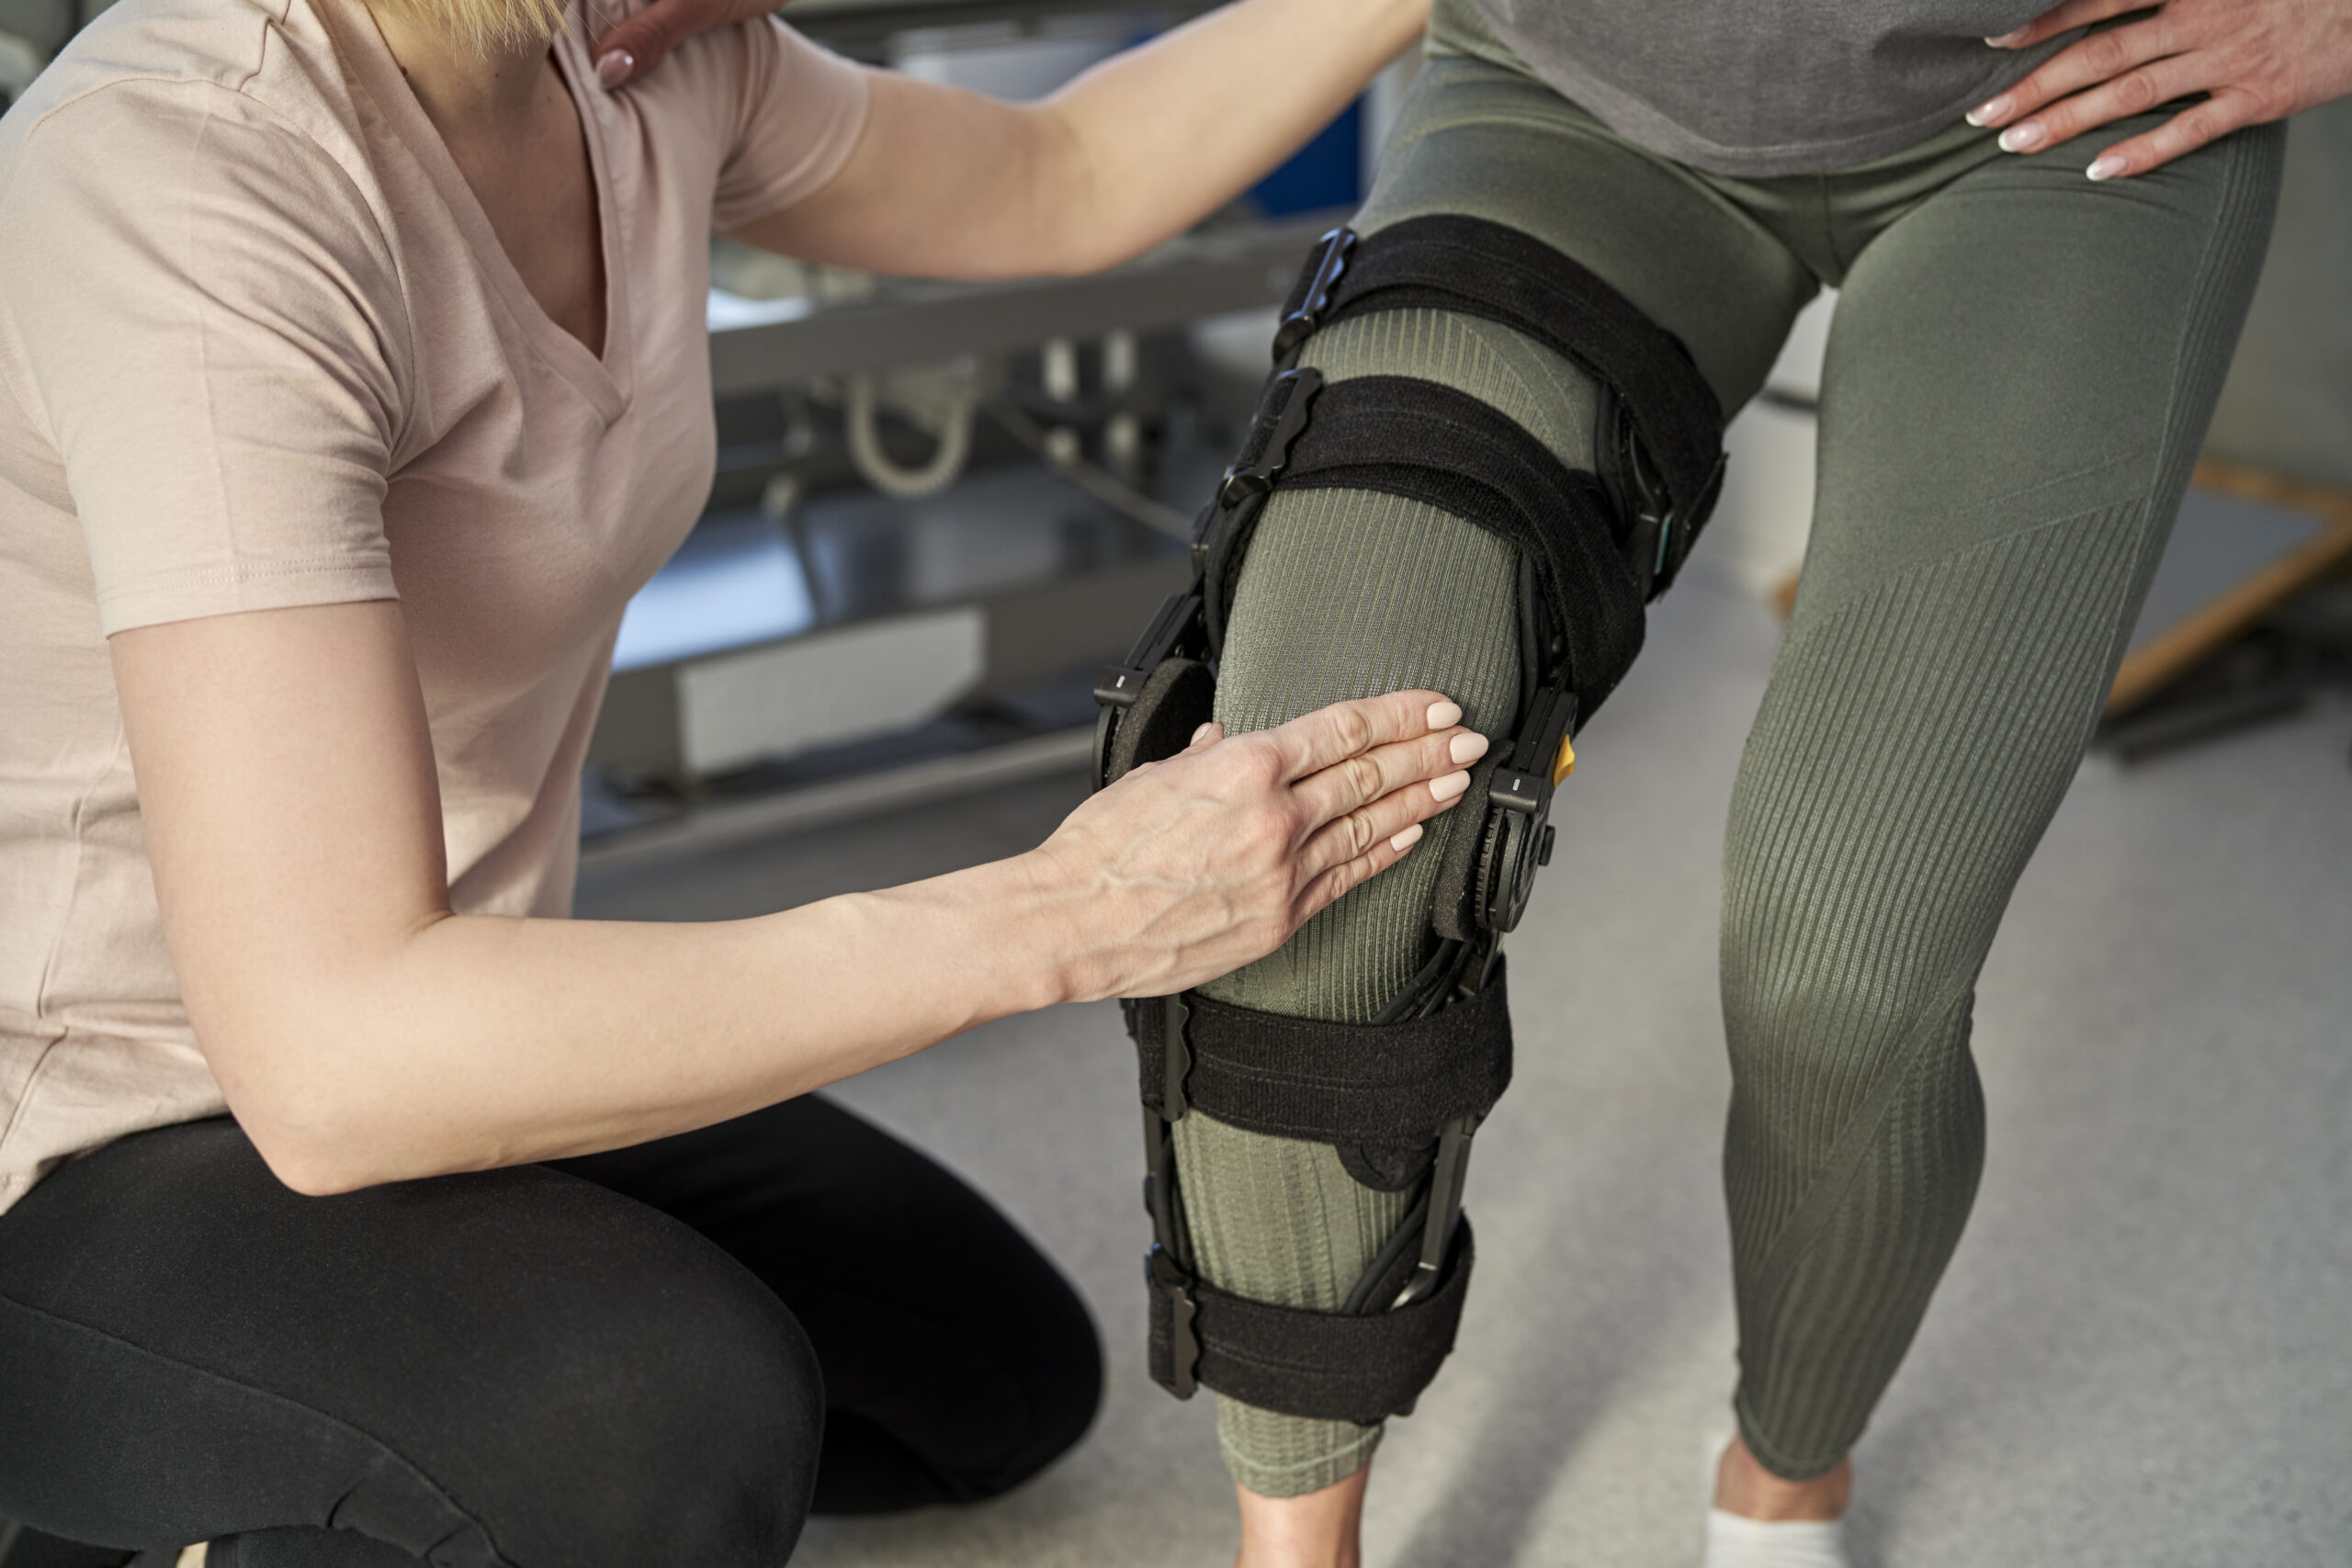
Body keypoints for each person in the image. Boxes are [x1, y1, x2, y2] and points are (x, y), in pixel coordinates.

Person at [0, 0, 1473, 1559]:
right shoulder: (197, 179)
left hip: (448, 1037)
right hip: (87, 1120)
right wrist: (1066, 914)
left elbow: (1065, 170)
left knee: (994, 1383)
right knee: (658, 1429)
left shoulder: (643, 54)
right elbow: (330, 1061)